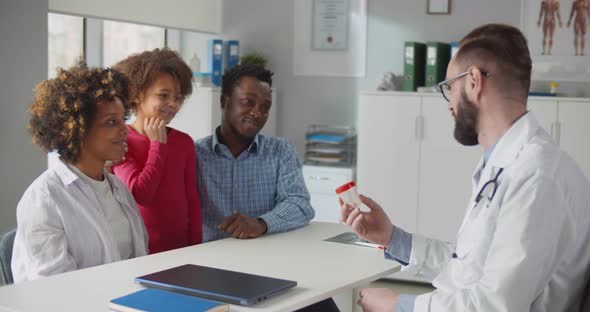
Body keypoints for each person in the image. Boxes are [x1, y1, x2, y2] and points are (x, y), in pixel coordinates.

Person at [341, 24, 590, 311]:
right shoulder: (505, 163)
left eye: (449, 87)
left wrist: (399, 306)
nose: (448, 105)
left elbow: (494, 305)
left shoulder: (537, 176)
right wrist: (392, 238)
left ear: (473, 81)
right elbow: (470, 267)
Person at [196, 64, 338, 312]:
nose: (257, 112)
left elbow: (300, 204)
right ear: (224, 101)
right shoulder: (196, 155)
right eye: (248, 102)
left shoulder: (280, 150)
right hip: (212, 272)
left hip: (271, 268)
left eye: (265, 107)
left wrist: (261, 223)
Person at [12, 64, 148, 282]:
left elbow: (137, 262)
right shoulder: (43, 199)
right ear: (78, 129)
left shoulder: (118, 188)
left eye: (124, 120)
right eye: (111, 122)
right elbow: (53, 288)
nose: (124, 129)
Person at [112, 48, 202, 254]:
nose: (173, 104)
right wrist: (157, 146)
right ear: (137, 95)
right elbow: (140, 194)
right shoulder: (120, 140)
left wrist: (197, 249)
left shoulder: (184, 142)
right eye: (164, 95)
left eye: (178, 98)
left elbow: (192, 200)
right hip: (139, 252)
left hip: (181, 251)